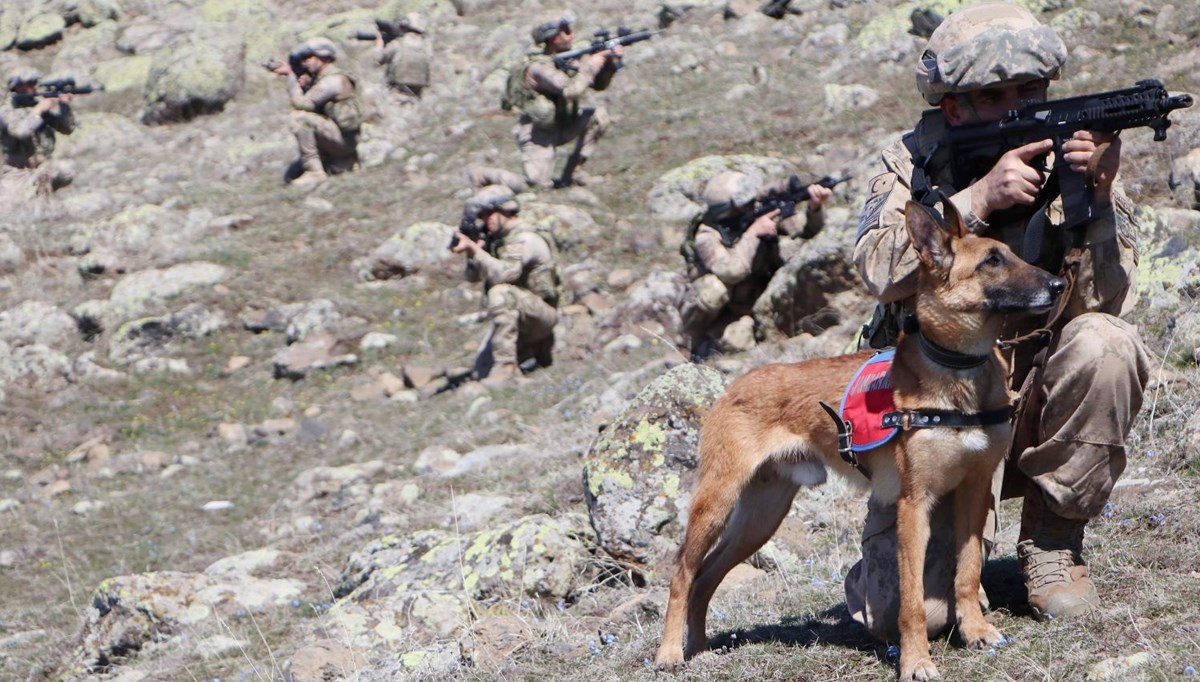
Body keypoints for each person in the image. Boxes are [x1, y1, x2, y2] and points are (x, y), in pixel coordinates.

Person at [848, 2, 1150, 640]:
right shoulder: (908, 161)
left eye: (1029, 91)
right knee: (904, 619)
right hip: (931, 411)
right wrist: (977, 198)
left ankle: (1052, 541)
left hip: (1032, 397)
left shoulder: (1076, 154)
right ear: (954, 107)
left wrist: (1093, 200)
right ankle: (921, 554)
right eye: (993, 97)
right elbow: (877, 270)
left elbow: (1106, 301)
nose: (1015, 107)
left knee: (1107, 345)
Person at [678, 170, 831, 359]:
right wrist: (753, 233)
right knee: (713, 291)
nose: (751, 206)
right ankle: (692, 344)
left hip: (751, 300)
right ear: (727, 211)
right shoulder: (707, 235)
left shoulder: (757, 211)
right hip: (721, 307)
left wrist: (814, 208)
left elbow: (806, 230)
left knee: (742, 339)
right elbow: (731, 271)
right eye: (744, 205)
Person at [470, 10, 621, 191]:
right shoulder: (539, 67)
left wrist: (609, 64)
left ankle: (574, 174)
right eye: (564, 30)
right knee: (536, 188)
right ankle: (485, 174)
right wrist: (591, 66)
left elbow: (598, 86)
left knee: (598, 117)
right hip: (538, 134)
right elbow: (571, 90)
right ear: (551, 37)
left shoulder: (567, 58)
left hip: (562, 122)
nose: (570, 34)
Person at [451, 185, 561, 385]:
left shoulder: (524, 238)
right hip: (522, 315)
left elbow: (506, 274)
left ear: (504, 210)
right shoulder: (498, 240)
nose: (485, 221)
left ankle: (508, 368)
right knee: (480, 371)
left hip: (542, 316)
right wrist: (474, 251)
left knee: (500, 293)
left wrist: (476, 251)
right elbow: (472, 278)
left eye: (488, 214)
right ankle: (525, 357)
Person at [270, 37, 363, 187]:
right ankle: (334, 164)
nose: (306, 62)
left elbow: (303, 104)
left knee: (299, 118)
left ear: (324, 56)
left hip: (345, 141)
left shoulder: (333, 80)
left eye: (309, 57)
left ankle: (315, 172)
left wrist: (291, 78)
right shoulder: (324, 79)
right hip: (341, 138)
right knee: (292, 174)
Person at [0, 66, 76, 196]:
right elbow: (20, 131)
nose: (34, 87)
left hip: (44, 166)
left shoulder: (39, 106)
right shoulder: (6, 111)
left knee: (67, 170)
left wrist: (64, 106)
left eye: (34, 83)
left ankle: (44, 192)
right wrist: (38, 111)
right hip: (18, 171)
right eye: (29, 84)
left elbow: (66, 128)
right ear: (18, 87)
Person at [371, 13, 431, 99]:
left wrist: (378, 46)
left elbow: (378, 59)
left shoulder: (398, 44)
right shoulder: (426, 47)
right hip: (418, 94)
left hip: (398, 92)